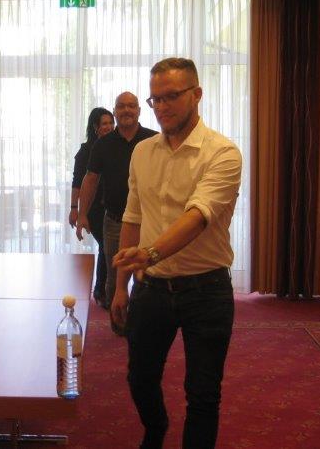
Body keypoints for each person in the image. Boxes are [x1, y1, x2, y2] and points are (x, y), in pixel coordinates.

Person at [111, 58, 242, 448]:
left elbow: (197, 217)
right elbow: (132, 217)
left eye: (171, 96)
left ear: (196, 94)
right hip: (152, 289)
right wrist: (120, 287)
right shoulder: (143, 152)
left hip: (207, 291)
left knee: (203, 394)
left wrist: (151, 254)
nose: (162, 107)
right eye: (156, 99)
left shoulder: (223, 153)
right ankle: (156, 430)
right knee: (140, 378)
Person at [76, 92, 157, 325]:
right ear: (115, 112)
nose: (126, 110)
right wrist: (81, 214)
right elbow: (90, 179)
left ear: (139, 111)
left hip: (148, 223)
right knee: (114, 277)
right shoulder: (103, 144)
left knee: (147, 277)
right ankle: (118, 323)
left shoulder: (154, 140)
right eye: (121, 106)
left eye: (131, 106)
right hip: (113, 222)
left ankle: (143, 324)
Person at [69, 107, 114, 307]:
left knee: (109, 247)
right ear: (95, 127)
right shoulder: (86, 151)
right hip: (92, 208)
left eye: (111, 123)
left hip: (112, 206)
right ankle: (100, 289)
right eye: (104, 124)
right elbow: (77, 182)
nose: (109, 127)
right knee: (105, 245)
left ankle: (106, 288)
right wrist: (75, 209)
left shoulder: (115, 147)